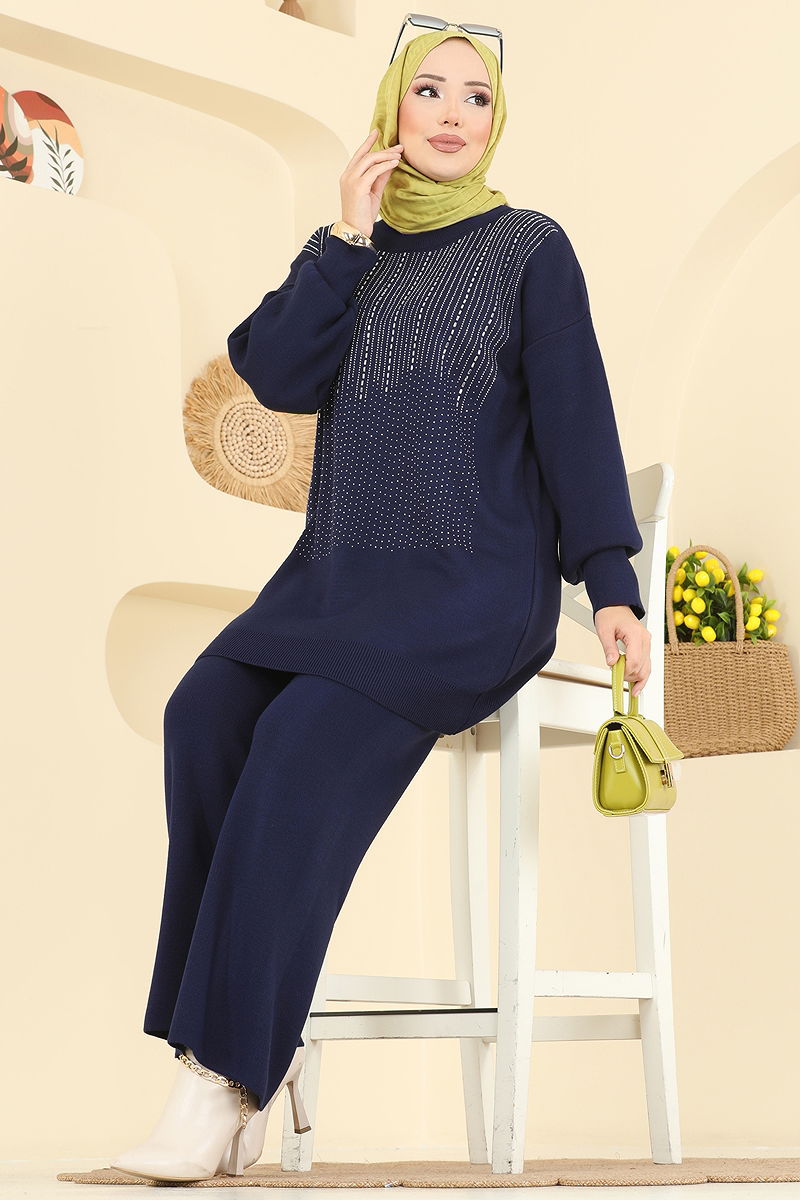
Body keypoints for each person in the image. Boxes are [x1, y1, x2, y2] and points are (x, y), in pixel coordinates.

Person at [109, 24, 652, 1184]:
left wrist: (610, 582)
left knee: (298, 738)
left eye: (475, 96)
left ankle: (222, 1073)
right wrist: (344, 237)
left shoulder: (528, 247)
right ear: (390, 111)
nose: (451, 112)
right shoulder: (354, 257)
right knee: (206, 712)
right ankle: (250, 1042)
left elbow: (577, 420)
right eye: (428, 89)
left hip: (469, 591)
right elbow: (273, 375)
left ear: (495, 121)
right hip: (334, 583)